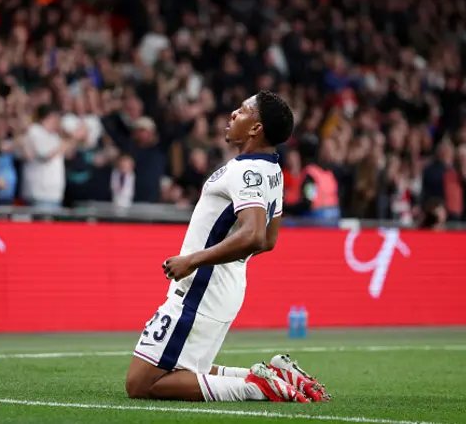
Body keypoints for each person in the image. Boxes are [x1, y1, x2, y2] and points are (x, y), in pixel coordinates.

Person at [125, 91, 330, 403]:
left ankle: (254, 388)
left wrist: (193, 260)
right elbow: (269, 239)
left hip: (203, 288)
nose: (234, 113)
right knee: (191, 369)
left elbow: (254, 235)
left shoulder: (244, 172)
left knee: (142, 383)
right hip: (223, 286)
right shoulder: (271, 169)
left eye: (243, 110)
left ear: (255, 128)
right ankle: (274, 376)